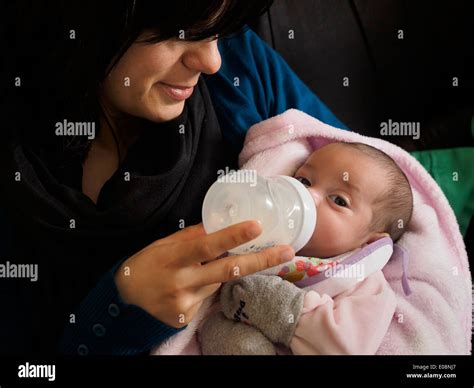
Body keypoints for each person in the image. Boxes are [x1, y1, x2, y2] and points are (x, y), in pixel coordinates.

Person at [0, 0, 345, 355]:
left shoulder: (241, 64)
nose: (212, 61)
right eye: (185, 33)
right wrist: (114, 315)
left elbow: (381, 181)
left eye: (216, 31)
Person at [200, 142, 413, 355]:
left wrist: (284, 309)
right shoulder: (263, 235)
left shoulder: (363, 282)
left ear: (369, 241)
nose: (308, 194)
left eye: (339, 200)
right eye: (304, 180)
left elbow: (344, 346)